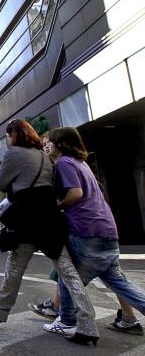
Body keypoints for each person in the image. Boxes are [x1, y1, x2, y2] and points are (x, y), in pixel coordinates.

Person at [0, 119, 99, 345]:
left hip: (27, 217)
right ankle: (88, 323)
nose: (7, 139)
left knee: (15, 266)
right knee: (68, 272)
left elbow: (0, 183)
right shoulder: (45, 156)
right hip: (49, 217)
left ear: (15, 135)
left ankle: (0, 309)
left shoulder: (14, 154)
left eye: (8, 135)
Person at [44, 127, 145, 338]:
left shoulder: (64, 163)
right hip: (107, 230)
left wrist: (59, 204)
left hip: (86, 230)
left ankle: (67, 321)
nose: (47, 145)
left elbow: (76, 193)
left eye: (50, 142)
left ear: (61, 144)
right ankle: (128, 318)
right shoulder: (83, 164)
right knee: (121, 284)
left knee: (69, 278)